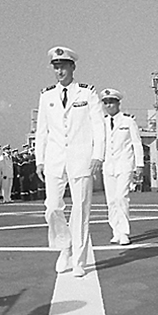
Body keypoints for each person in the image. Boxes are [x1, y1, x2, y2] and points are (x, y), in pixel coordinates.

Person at [35, 46, 105, 278]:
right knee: (52, 207)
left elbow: (98, 126)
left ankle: (79, 259)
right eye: (56, 67)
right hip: (55, 160)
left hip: (81, 158)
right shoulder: (47, 96)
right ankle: (64, 246)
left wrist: (98, 155)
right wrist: (40, 160)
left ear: (73, 67)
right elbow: (41, 131)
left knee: (81, 209)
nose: (60, 71)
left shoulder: (87, 93)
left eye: (63, 66)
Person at [101, 88, 144, 246]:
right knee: (111, 201)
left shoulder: (128, 121)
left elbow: (136, 143)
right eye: (106, 103)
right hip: (108, 166)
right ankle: (116, 231)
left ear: (118, 103)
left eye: (111, 102)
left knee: (121, 197)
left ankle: (124, 232)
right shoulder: (101, 123)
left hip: (125, 164)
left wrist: (139, 164)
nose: (109, 105)